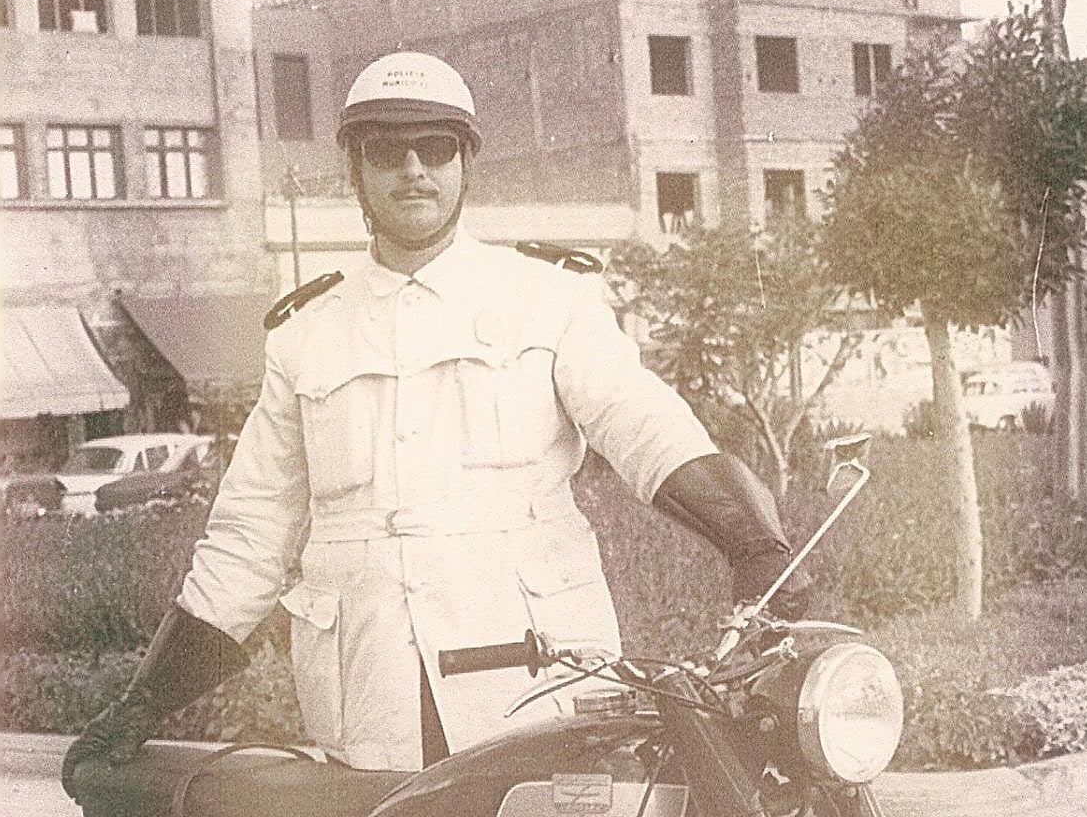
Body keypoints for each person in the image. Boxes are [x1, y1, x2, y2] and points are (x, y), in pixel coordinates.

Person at [61, 52, 809, 784]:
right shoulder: (306, 335)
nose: (413, 170)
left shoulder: (546, 299)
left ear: (465, 162)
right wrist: (140, 704)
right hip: (374, 696)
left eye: (436, 147)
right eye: (387, 152)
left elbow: (643, 424)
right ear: (356, 171)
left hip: (536, 682)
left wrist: (754, 544)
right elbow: (249, 536)